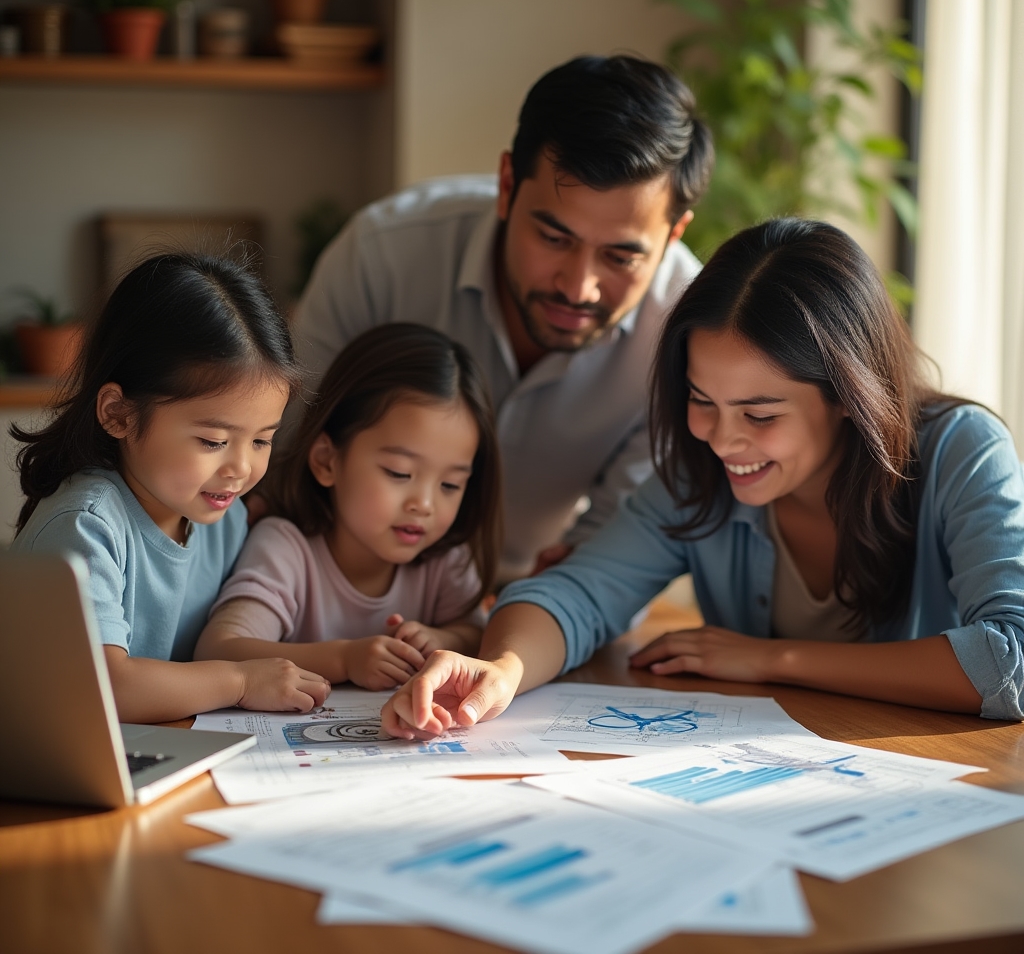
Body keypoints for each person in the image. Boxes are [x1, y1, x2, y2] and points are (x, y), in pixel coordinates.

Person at [381, 218, 1024, 737]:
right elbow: (575, 593)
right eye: (701, 400)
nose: (722, 439)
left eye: (760, 413)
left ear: (846, 398)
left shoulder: (961, 450)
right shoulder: (701, 474)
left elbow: (1011, 661)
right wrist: (502, 668)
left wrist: (772, 658)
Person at [292, 54, 714, 580]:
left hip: (537, 606)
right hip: (341, 590)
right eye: (555, 238)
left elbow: (616, 556)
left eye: (620, 258)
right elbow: (290, 457)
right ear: (508, 185)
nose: (578, 286)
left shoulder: (690, 334)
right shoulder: (382, 256)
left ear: (674, 235)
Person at [9, 252, 331, 723]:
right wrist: (240, 681)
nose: (240, 468)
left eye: (262, 439)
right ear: (119, 413)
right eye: (213, 441)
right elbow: (104, 688)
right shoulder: (86, 524)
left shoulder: (225, 516)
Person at [195, 323, 502, 690]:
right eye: (399, 473)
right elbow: (218, 649)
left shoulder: (445, 558)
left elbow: (478, 635)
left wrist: (445, 641)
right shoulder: (286, 548)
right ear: (327, 460)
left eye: (450, 485)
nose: (424, 504)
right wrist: (344, 658)